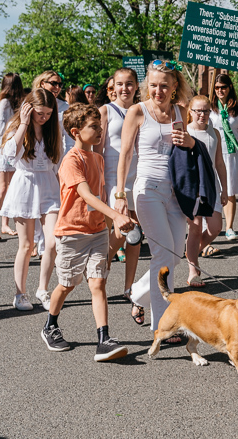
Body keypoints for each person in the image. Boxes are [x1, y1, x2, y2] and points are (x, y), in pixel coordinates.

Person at [40, 102, 134, 361]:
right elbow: (85, 193)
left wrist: (112, 222)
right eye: (94, 127)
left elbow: (101, 195)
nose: (100, 130)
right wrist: (115, 214)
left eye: (100, 126)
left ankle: (104, 339)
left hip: (97, 231)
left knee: (98, 283)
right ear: (75, 132)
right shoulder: (71, 160)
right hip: (72, 232)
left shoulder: (99, 158)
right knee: (67, 284)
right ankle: (50, 325)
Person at [115, 59, 194, 336]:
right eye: (153, 86)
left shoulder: (181, 111)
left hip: (175, 192)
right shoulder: (137, 111)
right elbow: (125, 154)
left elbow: (190, 149)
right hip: (146, 189)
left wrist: (189, 140)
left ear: (174, 87)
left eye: (164, 86)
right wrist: (120, 194)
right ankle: (163, 324)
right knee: (162, 254)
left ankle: (137, 294)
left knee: (174, 256)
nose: (157, 91)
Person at [0, 89, 63, 309]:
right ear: (28, 108)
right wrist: (25, 123)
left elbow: (57, 162)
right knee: (26, 245)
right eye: (39, 113)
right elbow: (9, 155)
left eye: (47, 113)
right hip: (24, 186)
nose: (43, 117)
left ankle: (43, 289)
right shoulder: (17, 126)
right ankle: (20, 293)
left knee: (53, 241)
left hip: (48, 186)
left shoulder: (53, 129)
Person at [97, 69, 142, 312]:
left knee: (135, 236)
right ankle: (100, 272)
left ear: (136, 86)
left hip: (139, 178)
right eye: (120, 84)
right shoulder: (106, 111)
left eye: (130, 84)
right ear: (113, 86)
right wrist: (100, 185)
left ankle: (129, 286)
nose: (125, 88)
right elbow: (98, 150)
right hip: (114, 180)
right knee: (119, 231)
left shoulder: (143, 109)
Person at [184, 95, 229, 286]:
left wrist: (225, 189)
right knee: (194, 228)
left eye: (206, 111)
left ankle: (190, 253)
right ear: (190, 112)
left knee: (216, 227)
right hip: (193, 185)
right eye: (198, 111)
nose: (202, 115)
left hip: (211, 185)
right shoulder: (184, 132)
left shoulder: (215, 133)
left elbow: (219, 162)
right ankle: (193, 269)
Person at [210, 74, 238, 241]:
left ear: (230, 88)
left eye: (223, 87)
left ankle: (229, 228)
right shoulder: (210, 107)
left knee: (230, 191)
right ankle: (212, 226)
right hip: (213, 153)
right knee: (213, 190)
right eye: (217, 87)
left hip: (232, 152)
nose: (220, 90)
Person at [0, 72, 25, 241]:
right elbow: (0, 131)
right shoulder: (3, 103)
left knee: (10, 188)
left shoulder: (14, 102)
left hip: (12, 148)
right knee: (1, 189)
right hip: (2, 150)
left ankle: (5, 224)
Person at [34, 71, 73, 157]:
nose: (57, 87)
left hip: (55, 158)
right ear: (42, 84)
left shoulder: (65, 107)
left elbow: (69, 138)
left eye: (60, 85)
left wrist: (67, 160)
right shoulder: (30, 103)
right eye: (54, 83)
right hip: (32, 157)